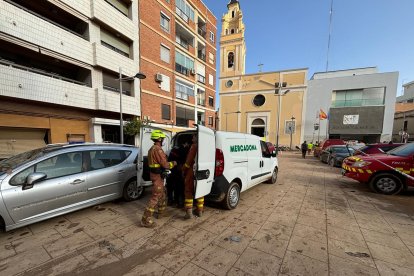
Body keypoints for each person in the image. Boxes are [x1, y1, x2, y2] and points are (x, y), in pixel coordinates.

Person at [141, 130, 177, 228]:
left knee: (163, 193)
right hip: (157, 176)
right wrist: (174, 163)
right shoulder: (158, 150)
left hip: (156, 175)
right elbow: (165, 164)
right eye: (163, 139)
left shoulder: (151, 149)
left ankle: (161, 213)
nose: (164, 140)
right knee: (155, 197)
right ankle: (145, 220)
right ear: (159, 139)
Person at [182, 134, 204, 219]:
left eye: (193, 137)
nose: (192, 138)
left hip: (192, 171)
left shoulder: (194, 146)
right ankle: (200, 211)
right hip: (202, 170)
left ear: (197, 137)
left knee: (188, 191)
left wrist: (183, 169)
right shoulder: (204, 145)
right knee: (200, 190)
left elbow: (188, 161)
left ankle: (189, 213)